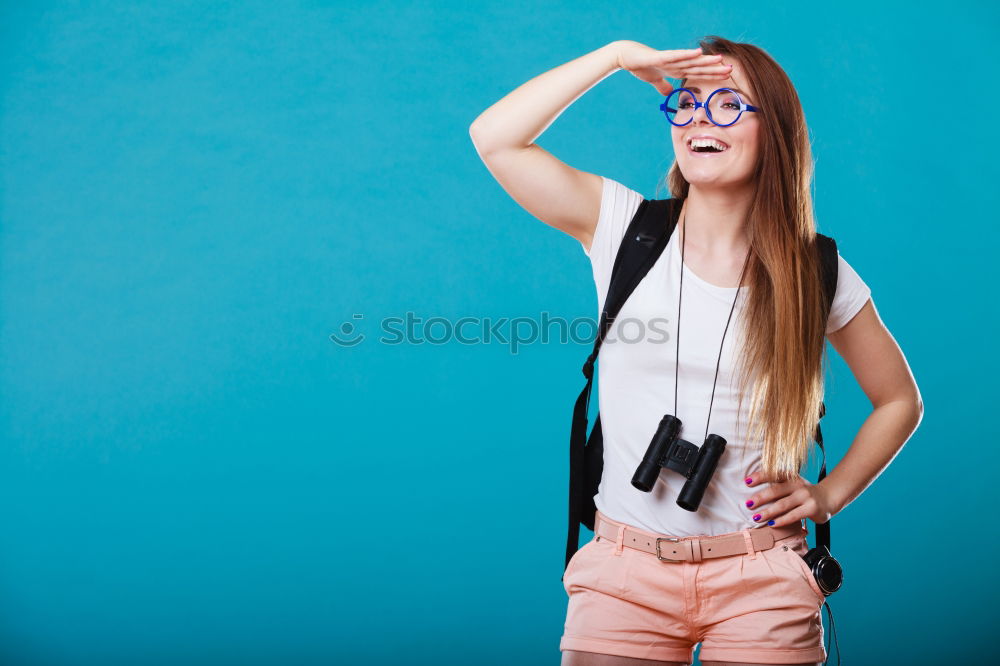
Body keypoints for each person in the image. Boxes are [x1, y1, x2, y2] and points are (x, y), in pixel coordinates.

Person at [469, 36, 923, 666]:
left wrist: (829, 494)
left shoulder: (815, 270)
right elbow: (495, 138)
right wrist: (616, 57)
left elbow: (899, 399)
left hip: (762, 573)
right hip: (624, 572)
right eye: (686, 103)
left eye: (729, 104)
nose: (701, 118)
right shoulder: (625, 229)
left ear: (778, 134)